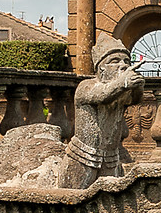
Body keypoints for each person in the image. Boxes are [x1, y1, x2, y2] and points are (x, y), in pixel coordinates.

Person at [62, 34, 145, 189]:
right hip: (83, 156)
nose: (123, 65)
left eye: (126, 61)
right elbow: (102, 95)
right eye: (115, 61)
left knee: (111, 204)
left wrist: (138, 86)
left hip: (111, 158)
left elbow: (135, 99)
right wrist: (123, 82)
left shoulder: (121, 91)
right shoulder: (86, 86)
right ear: (101, 67)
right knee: (74, 198)